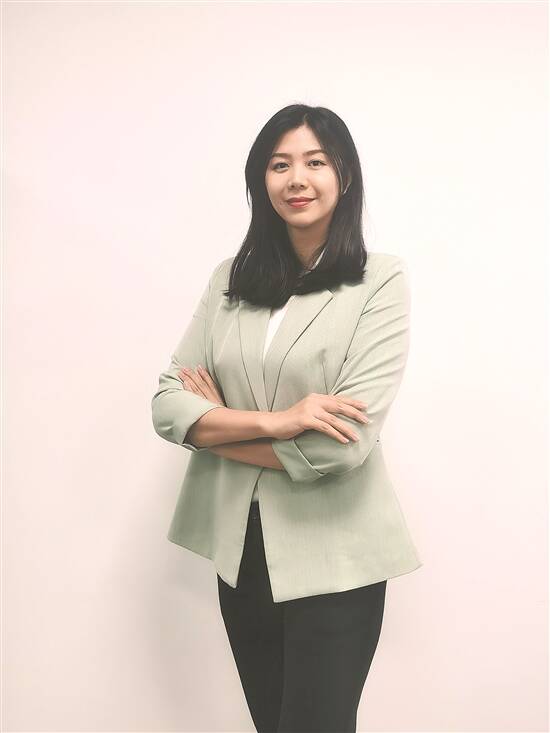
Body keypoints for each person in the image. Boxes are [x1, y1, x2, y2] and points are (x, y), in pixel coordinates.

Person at [151, 103, 422, 733]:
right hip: (241, 550)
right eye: (279, 165)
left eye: (314, 162)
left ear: (344, 175)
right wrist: (280, 421)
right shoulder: (230, 281)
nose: (296, 179)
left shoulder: (379, 281)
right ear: (261, 181)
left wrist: (214, 425)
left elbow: (342, 447)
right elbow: (168, 405)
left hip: (338, 554)